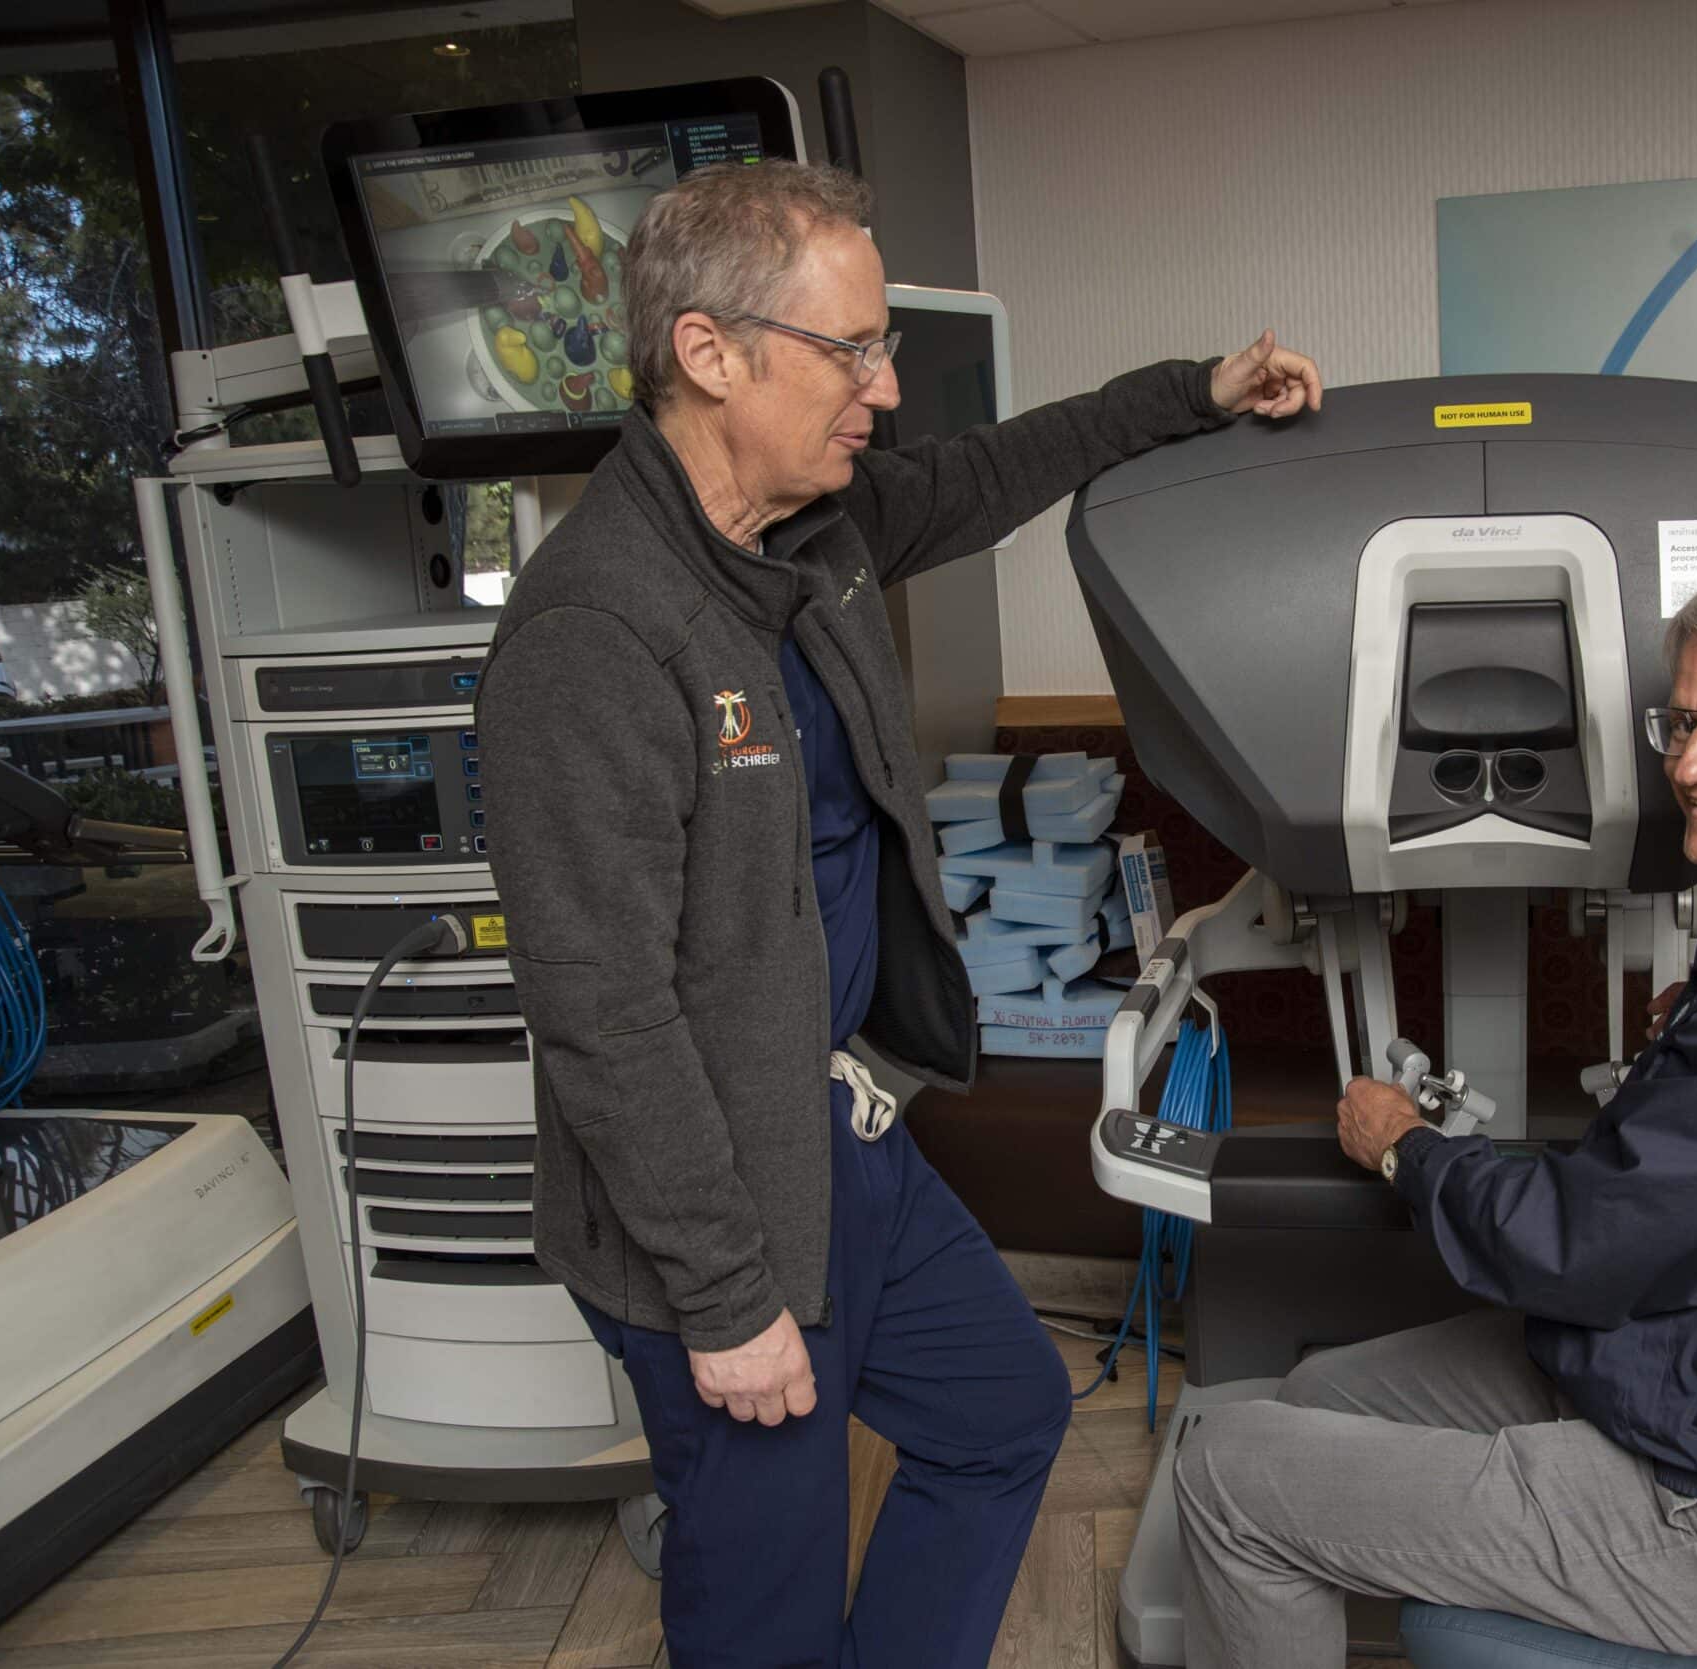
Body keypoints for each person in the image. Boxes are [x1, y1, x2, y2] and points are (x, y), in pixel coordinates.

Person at [478, 158, 1321, 1669]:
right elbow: (602, 1012)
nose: (885, 385)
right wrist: (727, 1298)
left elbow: (1004, 466)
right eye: (852, 348)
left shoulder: (819, 529)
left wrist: (1196, 388)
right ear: (711, 353)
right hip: (712, 1205)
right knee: (764, 1610)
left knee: (998, 1417)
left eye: (884, 345)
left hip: (848, 1144)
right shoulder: (592, 636)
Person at [1173, 564, 1697, 1666]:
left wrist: (1407, 1149)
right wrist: (1694, 1041)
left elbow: (1576, 1245)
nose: (1694, 763)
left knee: (1226, 1466)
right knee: (1325, 1387)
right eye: (1686, 723)